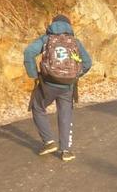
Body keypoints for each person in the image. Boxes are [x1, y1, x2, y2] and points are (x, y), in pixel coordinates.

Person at [23, 14, 92, 162]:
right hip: (67, 86)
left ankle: (49, 141)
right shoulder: (74, 42)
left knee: (38, 107)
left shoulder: (46, 39)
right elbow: (87, 62)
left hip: (48, 83)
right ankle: (66, 150)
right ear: (69, 26)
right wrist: (75, 75)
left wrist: (34, 74)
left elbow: (28, 52)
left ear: (52, 24)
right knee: (65, 115)